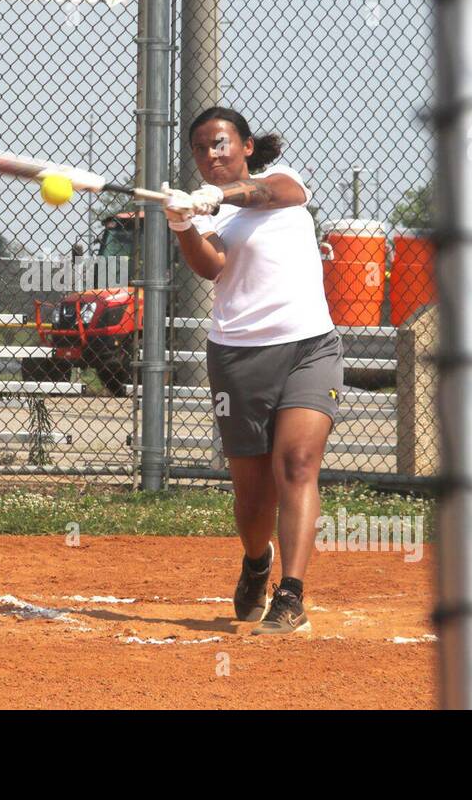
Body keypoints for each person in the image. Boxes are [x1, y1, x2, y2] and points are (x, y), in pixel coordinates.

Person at [164, 106, 342, 635]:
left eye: (220, 143)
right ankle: (256, 562)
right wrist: (183, 225)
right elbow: (210, 266)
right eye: (200, 148)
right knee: (252, 494)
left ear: (245, 146)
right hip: (238, 357)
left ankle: (292, 594)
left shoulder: (285, 185)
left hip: (310, 345)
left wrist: (219, 196)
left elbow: (268, 194)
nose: (211, 154)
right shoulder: (210, 215)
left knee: (298, 463)